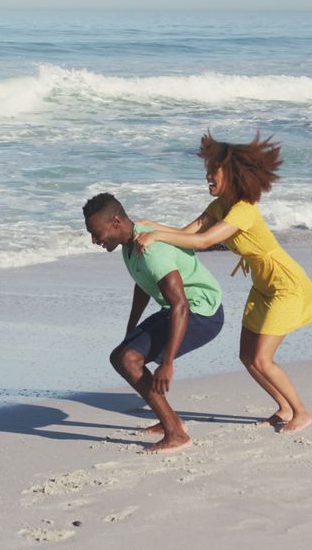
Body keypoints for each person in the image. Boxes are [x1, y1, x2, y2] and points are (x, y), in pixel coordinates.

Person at [135, 131, 312, 433]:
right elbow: (189, 236)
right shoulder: (219, 206)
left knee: (262, 358)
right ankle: (284, 408)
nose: (207, 177)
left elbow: (206, 241)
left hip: (285, 285)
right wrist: (150, 226)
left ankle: (301, 412)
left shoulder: (243, 209)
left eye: (213, 172)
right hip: (262, 287)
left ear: (231, 175)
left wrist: (156, 235)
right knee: (247, 356)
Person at [83, 192, 224, 454]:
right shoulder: (129, 245)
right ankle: (171, 421)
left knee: (129, 360)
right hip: (178, 308)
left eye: (96, 233)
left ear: (115, 222)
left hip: (201, 313)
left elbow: (181, 304)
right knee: (120, 356)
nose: (94, 240)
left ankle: (175, 433)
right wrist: (131, 328)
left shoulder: (151, 251)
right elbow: (144, 284)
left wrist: (168, 363)